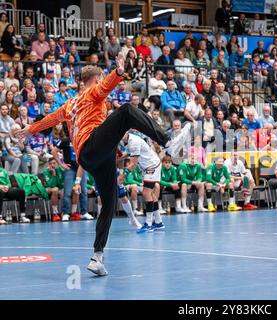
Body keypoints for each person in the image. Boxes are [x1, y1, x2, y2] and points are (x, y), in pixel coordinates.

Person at [17, 52, 171, 276]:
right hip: (94, 144)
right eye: (99, 80)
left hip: (90, 157)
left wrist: (30, 129)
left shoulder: (68, 105)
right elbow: (104, 88)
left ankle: (97, 257)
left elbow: (50, 119)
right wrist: (118, 72)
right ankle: (166, 140)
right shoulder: (92, 93)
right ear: (95, 79)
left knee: (109, 203)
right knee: (126, 110)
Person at [122, 131, 163, 232]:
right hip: (147, 166)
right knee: (151, 193)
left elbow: (133, 164)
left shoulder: (134, 141)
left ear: (126, 132)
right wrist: (119, 159)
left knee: (146, 192)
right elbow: (128, 153)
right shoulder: (126, 141)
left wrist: (122, 176)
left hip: (152, 165)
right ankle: (158, 222)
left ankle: (148, 223)